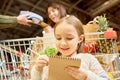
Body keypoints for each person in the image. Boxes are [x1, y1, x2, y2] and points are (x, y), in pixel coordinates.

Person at [31, 15, 110, 80]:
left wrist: (87, 76)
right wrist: (37, 69)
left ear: (80, 39)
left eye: (69, 38)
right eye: (58, 38)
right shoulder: (50, 63)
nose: (63, 43)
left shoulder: (88, 59)